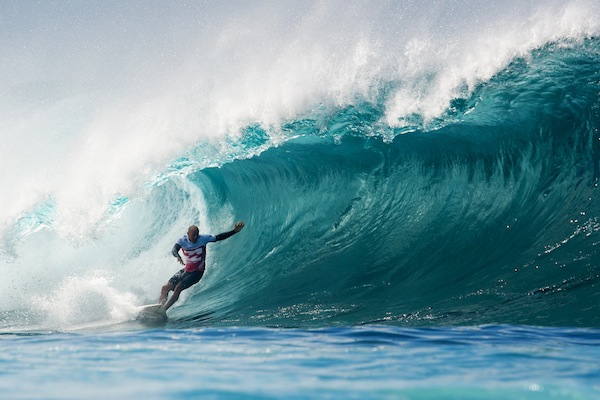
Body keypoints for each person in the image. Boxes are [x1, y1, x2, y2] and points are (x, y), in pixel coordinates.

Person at [160, 221, 245, 311]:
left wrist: (234, 231)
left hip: (197, 273)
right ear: (188, 234)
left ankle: (163, 310)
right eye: (193, 235)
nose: (195, 237)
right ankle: (159, 307)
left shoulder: (203, 239)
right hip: (187, 270)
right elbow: (174, 250)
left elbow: (219, 237)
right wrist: (177, 256)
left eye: (197, 235)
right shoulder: (182, 241)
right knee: (165, 288)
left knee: (178, 288)